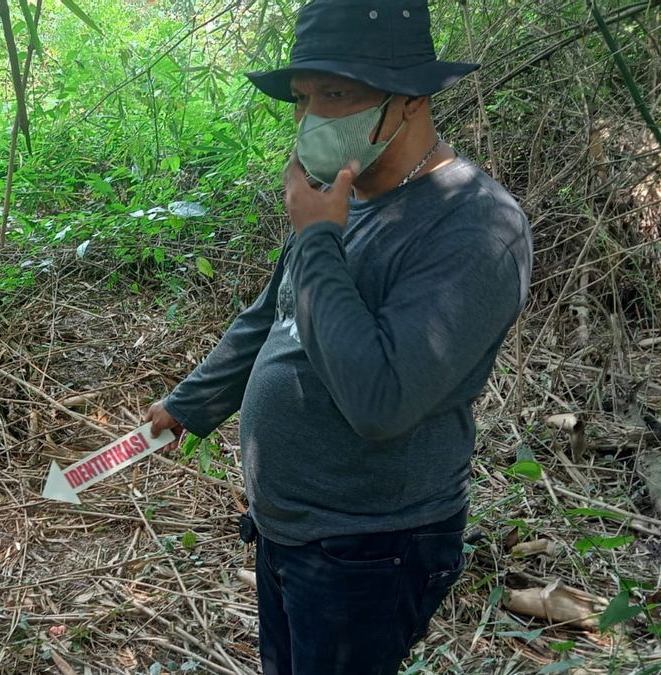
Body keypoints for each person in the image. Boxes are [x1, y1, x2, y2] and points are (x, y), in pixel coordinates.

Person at [142, 1, 534, 672]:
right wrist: (193, 404)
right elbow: (275, 312)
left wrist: (318, 236)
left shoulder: (477, 228)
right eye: (301, 98)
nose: (311, 118)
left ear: (409, 98)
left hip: (372, 548)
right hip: (288, 530)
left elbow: (381, 400)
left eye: (336, 93)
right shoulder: (342, 194)